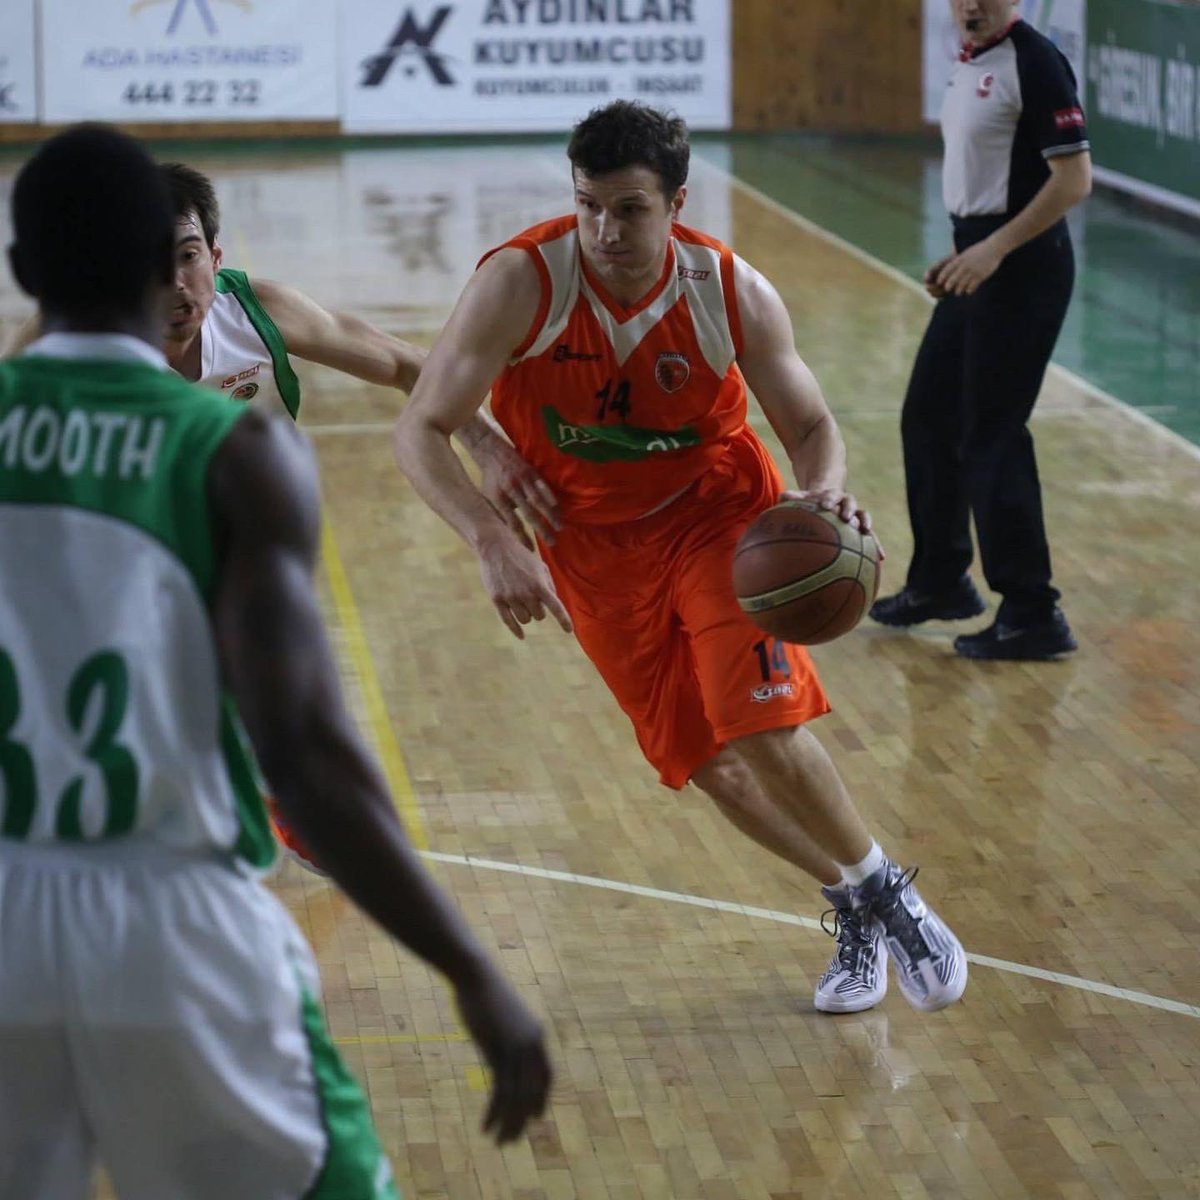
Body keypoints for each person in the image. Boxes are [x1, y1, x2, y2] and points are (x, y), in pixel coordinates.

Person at [0, 123, 551, 1200]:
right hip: (166, 909)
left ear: (27, 275)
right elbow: (308, 750)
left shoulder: (240, 328)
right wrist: (470, 969)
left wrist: (482, 440)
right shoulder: (233, 455)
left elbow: (403, 364)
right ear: (145, 267)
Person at [392, 100, 969, 1017]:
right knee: (709, 764)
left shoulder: (730, 290)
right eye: (587, 205)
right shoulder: (519, 283)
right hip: (588, 549)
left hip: (720, 523)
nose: (603, 229)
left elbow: (813, 425)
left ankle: (889, 891)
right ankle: (851, 903)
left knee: (757, 722)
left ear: (677, 202)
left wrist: (819, 489)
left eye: (628, 209)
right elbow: (421, 424)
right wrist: (490, 536)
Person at [4, 160, 561, 872]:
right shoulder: (64, 342)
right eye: (147, 263)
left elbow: (402, 364)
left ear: (215, 256)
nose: (176, 285)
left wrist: (485, 444)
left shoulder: (257, 312)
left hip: (240, 551)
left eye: (187, 257)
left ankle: (275, 805)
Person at [868, 0, 1091, 660]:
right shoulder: (968, 61)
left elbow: (1073, 179)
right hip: (980, 259)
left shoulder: (1036, 60)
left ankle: (1032, 611)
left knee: (990, 434)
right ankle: (941, 581)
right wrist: (966, 252)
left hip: (1025, 268)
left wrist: (993, 249)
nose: (971, 5)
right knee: (927, 417)